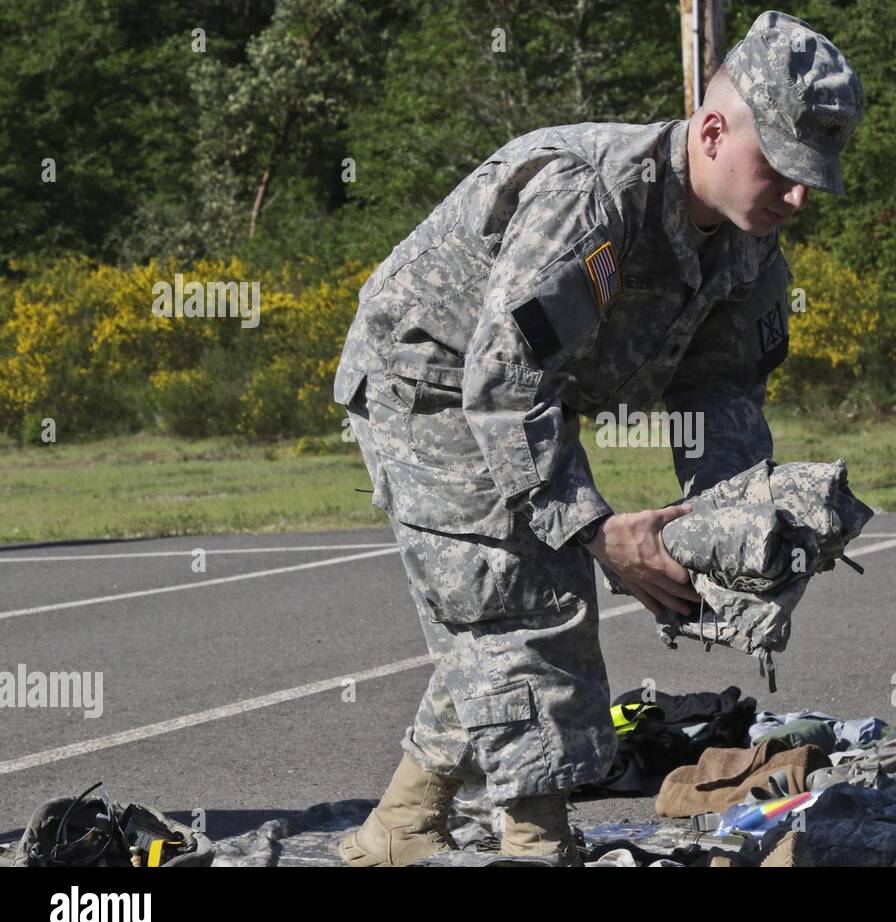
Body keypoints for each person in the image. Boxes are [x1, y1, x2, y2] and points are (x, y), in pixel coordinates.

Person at [330, 10, 863, 865]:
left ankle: (401, 825)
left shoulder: (750, 248)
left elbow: (720, 391)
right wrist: (603, 534)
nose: (798, 199)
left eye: (813, 180)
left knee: (508, 603)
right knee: (522, 593)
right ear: (715, 130)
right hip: (429, 383)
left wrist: (722, 533)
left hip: (526, 393)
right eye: (782, 170)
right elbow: (502, 386)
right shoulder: (591, 197)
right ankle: (537, 840)